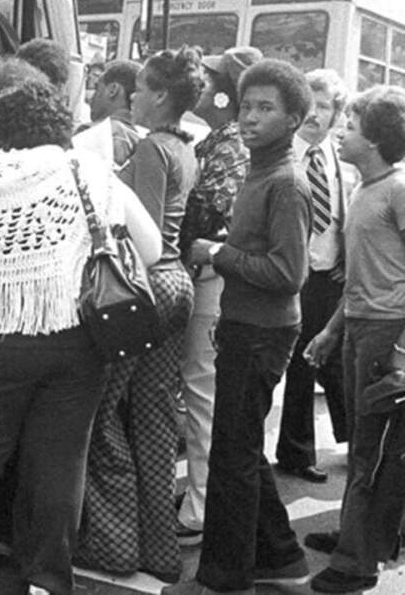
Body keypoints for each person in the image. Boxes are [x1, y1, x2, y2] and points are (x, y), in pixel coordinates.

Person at [0, 80, 161, 595]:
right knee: (59, 461)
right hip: (76, 338)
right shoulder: (89, 171)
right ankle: (46, 580)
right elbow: (153, 247)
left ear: (3, 127)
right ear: (58, 126)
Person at [167, 59, 313, 595]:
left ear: (294, 119)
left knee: (231, 458)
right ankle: (281, 559)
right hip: (245, 326)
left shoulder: (285, 182)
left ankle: (223, 579)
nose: (250, 118)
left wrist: (219, 253)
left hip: (261, 331)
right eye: (246, 106)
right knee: (241, 447)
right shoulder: (261, 170)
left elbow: (288, 272)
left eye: (265, 109)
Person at [76, 48, 201, 584]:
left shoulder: (150, 148)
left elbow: (141, 236)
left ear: (162, 96)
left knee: (105, 415)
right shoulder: (184, 148)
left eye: (143, 90)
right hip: (181, 285)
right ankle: (160, 551)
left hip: (148, 285)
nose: (134, 98)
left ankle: (115, 545)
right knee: (152, 421)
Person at [304, 86, 405, 594]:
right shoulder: (366, 188)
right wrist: (331, 331)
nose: (342, 130)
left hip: (386, 333)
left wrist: (401, 351)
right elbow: (359, 276)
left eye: (352, 124)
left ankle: (357, 562)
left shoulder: (397, 190)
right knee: (362, 445)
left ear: (375, 139)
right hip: (361, 327)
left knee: (375, 453)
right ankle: (353, 538)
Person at [175, 46, 262, 546]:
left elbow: (207, 214)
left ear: (226, 93)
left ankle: (202, 506)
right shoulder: (221, 141)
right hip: (209, 275)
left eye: (207, 79)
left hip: (213, 277)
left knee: (203, 392)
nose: (199, 86)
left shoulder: (230, 147)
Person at [275, 69, 353, 484]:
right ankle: (297, 451)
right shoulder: (285, 154)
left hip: (329, 274)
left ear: (336, 114)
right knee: (302, 367)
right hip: (294, 274)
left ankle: (351, 438)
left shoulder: (340, 159)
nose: (315, 114)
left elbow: (341, 212)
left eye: (325, 107)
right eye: (310, 103)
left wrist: (343, 256)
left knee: (331, 360)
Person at [83, 59, 143, 167]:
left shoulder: (92, 133)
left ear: (112, 90)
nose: (91, 98)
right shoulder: (143, 140)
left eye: (97, 88)